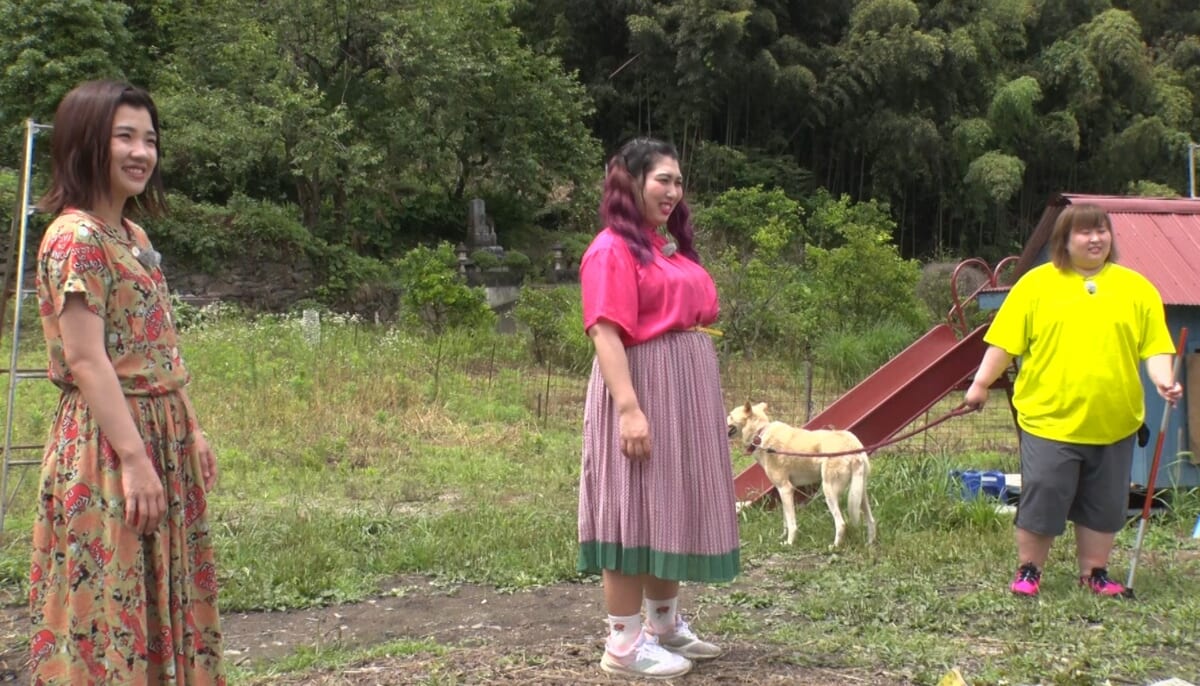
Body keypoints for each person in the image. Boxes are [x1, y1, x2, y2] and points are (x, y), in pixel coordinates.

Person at [29, 80, 225, 684]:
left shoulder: (132, 236)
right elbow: (87, 362)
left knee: (157, 596)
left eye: (150, 139)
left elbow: (156, 345)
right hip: (108, 446)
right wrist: (135, 459)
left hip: (158, 435)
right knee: (111, 603)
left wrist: (191, 429)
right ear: (88, 142)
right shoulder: (76, 238)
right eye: (125, 137)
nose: (142, 152)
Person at [577, 137, 740, 679]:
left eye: (677, 181)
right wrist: (629, 408)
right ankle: (623, 645)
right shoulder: (611, 249)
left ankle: (663, 625)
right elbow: (604, 329)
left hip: (680, 395)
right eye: (661, 180)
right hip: (642, 389)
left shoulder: (662, 246)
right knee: (631, 510)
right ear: (631, 182)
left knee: (670, 504)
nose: (673, 190)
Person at [965, 203, 1182, 598]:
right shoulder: (1035, 285)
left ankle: (1094, 573)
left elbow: (1156, 349)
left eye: (1101, 231)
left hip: (1115, 420)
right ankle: (1029, 570)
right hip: (1049, 418)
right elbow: (1003, 343)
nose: (1095, 238)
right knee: (1045, 490)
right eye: (1084, 232)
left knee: (1105, 502)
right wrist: (980, 384)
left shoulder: (1137, 289)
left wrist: (1165, 381)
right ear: (1063, 240)